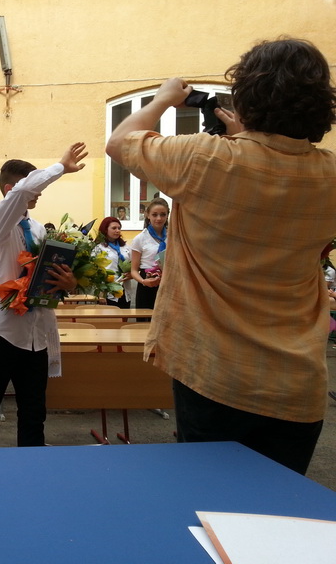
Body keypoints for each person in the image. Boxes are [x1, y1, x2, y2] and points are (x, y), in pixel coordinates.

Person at [105, 38, 336, 475]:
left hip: (214, 375)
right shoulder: (329, 173)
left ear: (247, 97)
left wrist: (163, 98)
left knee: (209, 504)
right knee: (280, 508)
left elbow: (120, 142)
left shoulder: (205, 158)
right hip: (296, 384)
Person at [0, 143, 87, 449]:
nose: (39, 193)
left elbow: (47, 277)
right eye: (33, 186)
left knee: (34, 413)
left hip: (36, 334)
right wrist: (60, 168)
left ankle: (31, 468)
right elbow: (24, 191)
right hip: (2, 332)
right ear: (10, 190)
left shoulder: (38, 230)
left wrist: (68, 283)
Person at [129, 197, 169, 311]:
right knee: (146, 319)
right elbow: (133, 270)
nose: (159, 218)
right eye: (154, 214)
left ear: (167, 215)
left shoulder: (173, 237)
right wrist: (144, 281)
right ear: (148, 215)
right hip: (147, 282)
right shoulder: (140, 238)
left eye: (163, 214)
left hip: (168, 282)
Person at [92, 217, 133, 308]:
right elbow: (94, 272)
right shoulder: (98, 248)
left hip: (124, 290)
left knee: (125, 315)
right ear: (105, 230)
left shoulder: (125, 247)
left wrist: (131, 274)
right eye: (114, 228)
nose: (117, 231)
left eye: (119, 228)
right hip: (107, 291)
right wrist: (100, 293)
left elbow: (134, 265)